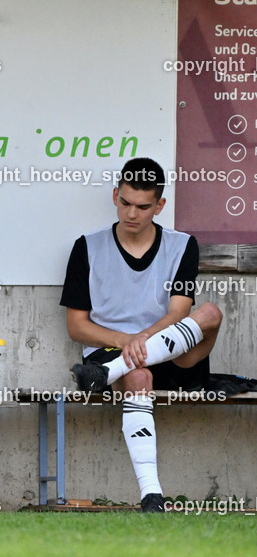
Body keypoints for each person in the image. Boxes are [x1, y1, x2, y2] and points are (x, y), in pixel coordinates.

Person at [61, 157, 222, 512]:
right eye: (125, 203)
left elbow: (179, 313)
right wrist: (126, 342)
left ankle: (104, 377)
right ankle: (152, 494)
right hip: (113, 352)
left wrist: (143, 339)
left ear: (159, 206)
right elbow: (77, 327)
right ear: (116, 195)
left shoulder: (183, 245)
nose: (132, 214)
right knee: (138, 374)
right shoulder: (87, 247)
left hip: (173, 349)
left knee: (210, 313)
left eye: (143, 207)